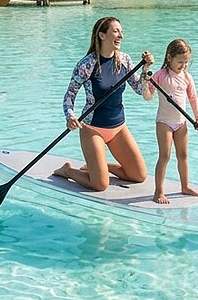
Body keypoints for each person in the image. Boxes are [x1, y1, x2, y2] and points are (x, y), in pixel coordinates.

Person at [54, 17, 154, 191]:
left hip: (118, 127)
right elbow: (69, 96)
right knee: (100, 185)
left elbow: (140, 89)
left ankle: (98, 166)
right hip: (93, 128)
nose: (120, 35)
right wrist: (70, 116)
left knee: (139, 176)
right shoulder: (86, 64)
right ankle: (68, 171)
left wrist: (145, 71)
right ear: (102, 35)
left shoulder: (125, 60)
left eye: (121, 32)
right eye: (115, 31)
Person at [143, 39, 198, 204]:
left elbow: (193, 98)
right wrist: (145, 79)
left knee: (183, 155)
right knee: (165, 156)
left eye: (186, 62)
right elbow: (148, 97)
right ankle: (158, 192)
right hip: (164, 123)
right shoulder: (160, 76)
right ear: (169, 58)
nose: (183, 65)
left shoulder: (187, 77)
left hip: (182, 123)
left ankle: (185, 186)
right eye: (180, 62)